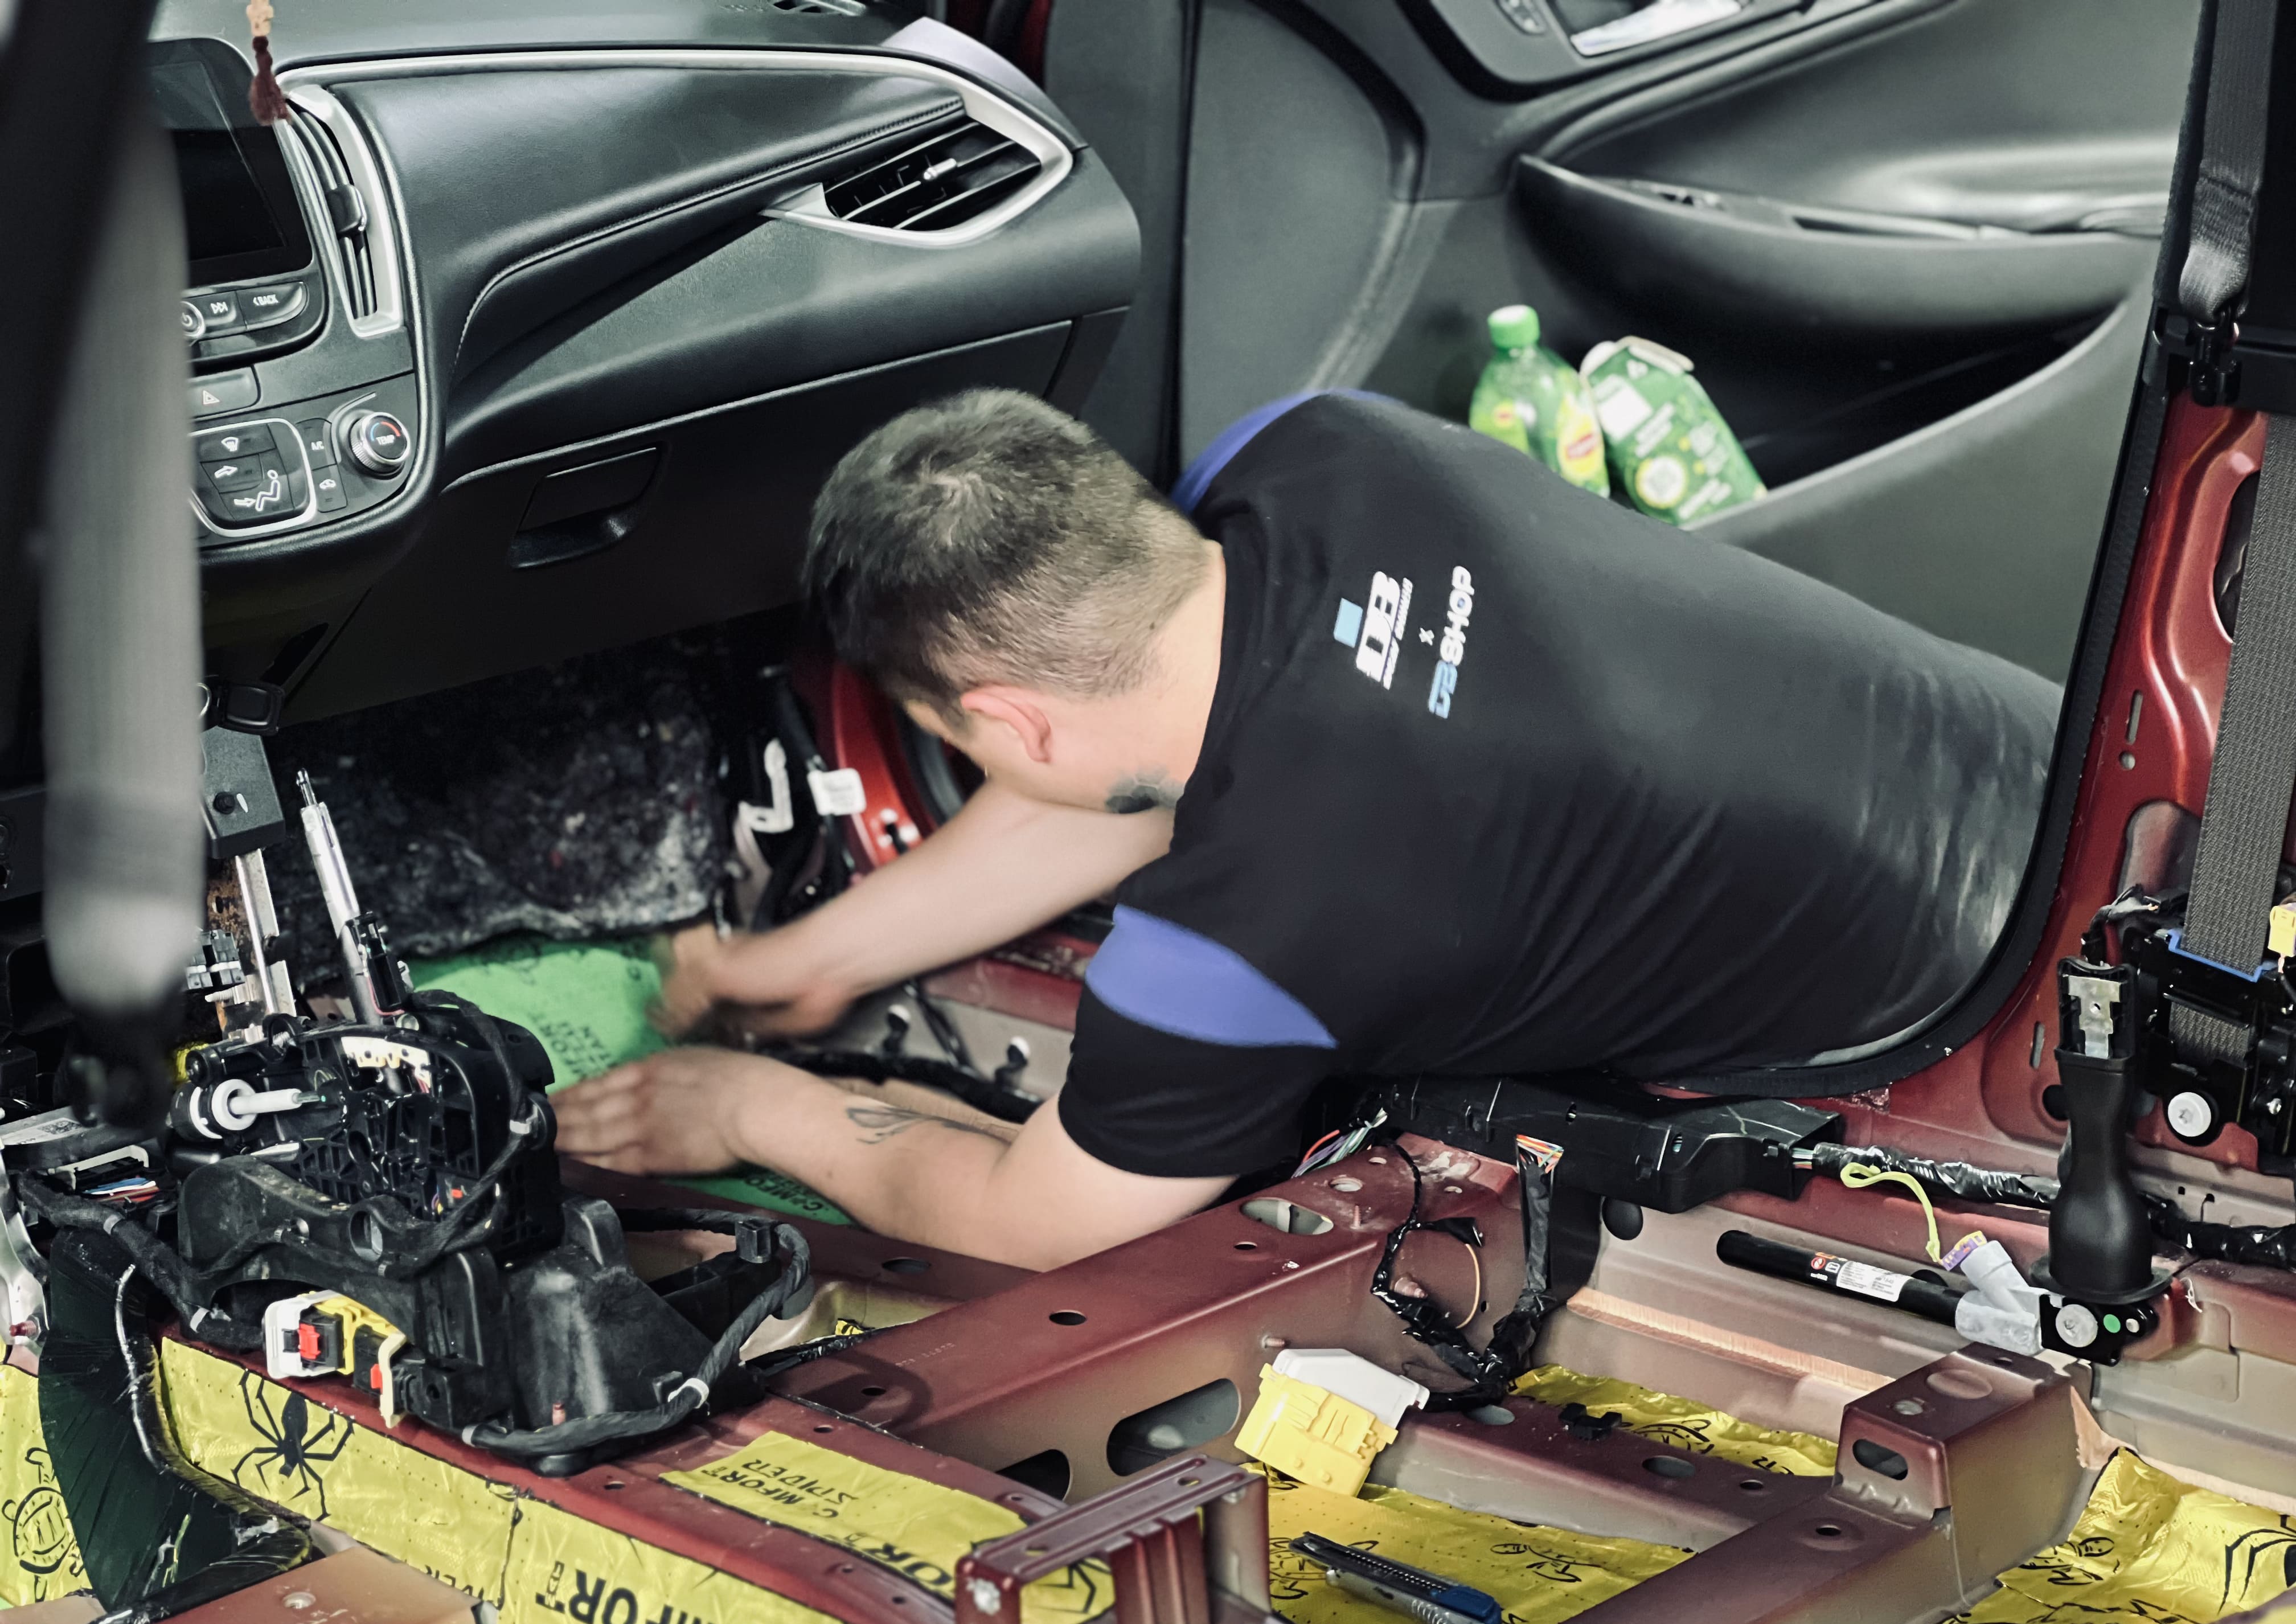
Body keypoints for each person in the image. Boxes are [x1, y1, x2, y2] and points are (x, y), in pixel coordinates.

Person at [552, 389, 2054, 1269]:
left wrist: (750, 1112)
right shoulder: (1320, 445)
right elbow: (1159, 761)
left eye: (960, 735)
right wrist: (809, 957)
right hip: (2070, 770)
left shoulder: (1242, 944)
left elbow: (1037, 1220)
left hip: (1975, 1038)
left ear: (1008, 724)